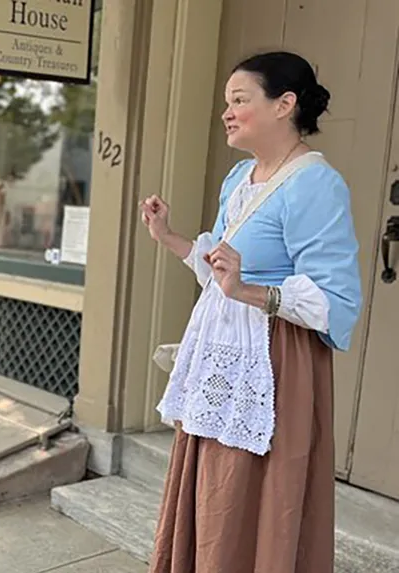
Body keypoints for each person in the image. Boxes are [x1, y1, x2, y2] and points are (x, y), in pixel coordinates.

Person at [141, 51, 362, 573]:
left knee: (253, 495)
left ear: (285, 104)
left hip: (274, 365)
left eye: (240, 99)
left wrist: (251, 293)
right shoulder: (240, 178)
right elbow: (222, 271)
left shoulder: (315, 184)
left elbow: (335, 299)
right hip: (223, 355)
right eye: (226, 102)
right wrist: (170, 237)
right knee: (213, 488)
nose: (227, 112)